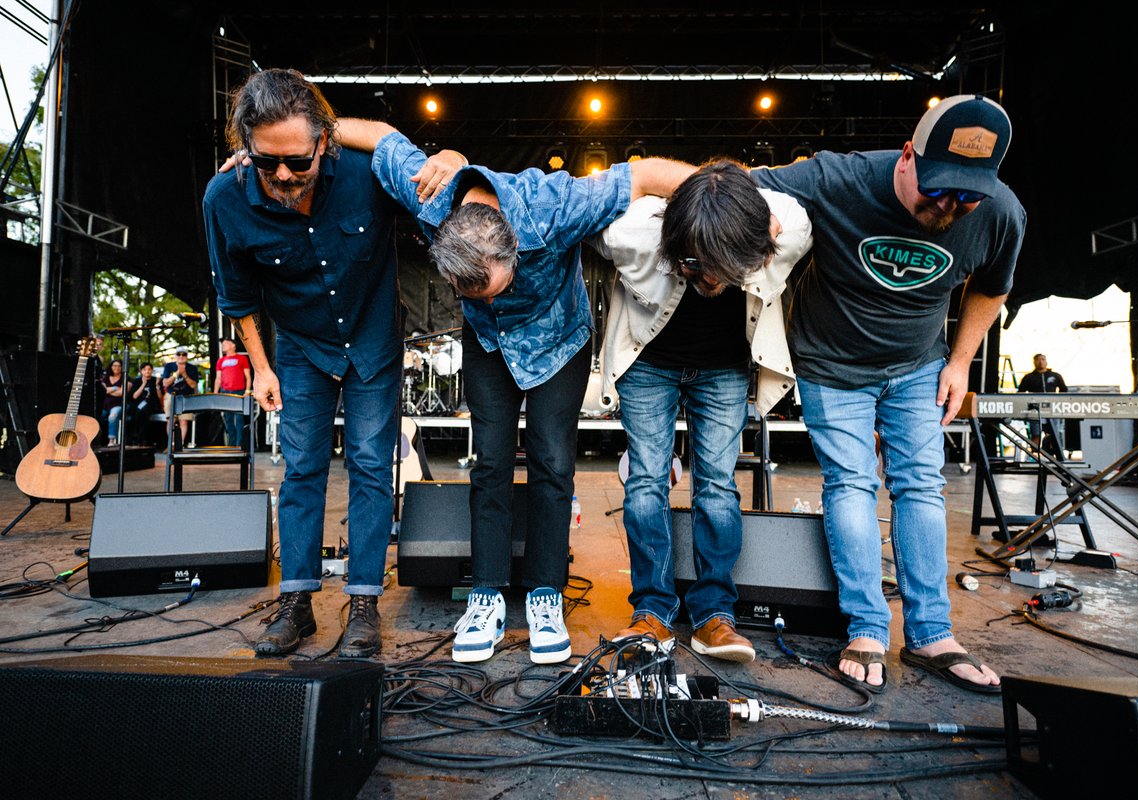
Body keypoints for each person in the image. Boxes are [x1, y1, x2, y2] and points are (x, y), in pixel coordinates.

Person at [334, 116, 694, 665]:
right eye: (469, 292)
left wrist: (731, 197)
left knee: (553, 462)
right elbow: (382, 137)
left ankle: (546, 594)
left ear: (512, 252)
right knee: (489, 464)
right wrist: (286, 141)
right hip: (489, 347)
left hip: (559, 343)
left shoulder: (558, 204)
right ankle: (486, 595)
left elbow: (645, 174)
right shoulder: (433, 197)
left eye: (493, 288)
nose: (488, 297)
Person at [753, 94, 1024, 694]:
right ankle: (867, 628)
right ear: (908, 155)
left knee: (921, 485)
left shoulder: (1002, 212)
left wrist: (959, 363)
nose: (950, 206)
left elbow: (992, 288)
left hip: (919, 364)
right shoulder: (836, 177)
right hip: (832, 363)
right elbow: (732, 188)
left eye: (966, 195)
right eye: (938, 189)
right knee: (850, 483)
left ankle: (931, 635)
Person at [204, 69, 461, 659]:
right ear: (245, 147)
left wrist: (451, 155)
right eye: (267, 163)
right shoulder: (224, 198)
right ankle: (297, 603)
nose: (284, 176)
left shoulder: (364, 170)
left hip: (372, 340)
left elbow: (423, 173)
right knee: (301, 470)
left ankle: (364, 603)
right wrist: (261, 368)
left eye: (297, 159)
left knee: (372, 466)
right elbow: (237, 297)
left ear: (325, 140)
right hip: (298, 347)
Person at [591, 160, 812, 661]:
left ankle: (715, 615)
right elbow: (595, 202)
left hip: (725, 369)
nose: (710, 278)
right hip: (649, 365)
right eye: (694, 264)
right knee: (646, 481)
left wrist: (753, 209)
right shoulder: (633, 232)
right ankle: (652, 612)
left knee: (717, 485)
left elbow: (793, 217)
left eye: (725, 267)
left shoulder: (781, 225)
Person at [1017, 353, 1068, 457]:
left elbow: (1064, 390)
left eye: (1043, 359)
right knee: (1036, 433)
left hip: (1052, 409)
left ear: (1046, 361)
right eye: (1038, 360)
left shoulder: (1055, 376)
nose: (1040, 362)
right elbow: (1020, 393)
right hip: (1035, 410)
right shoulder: (1029, 377)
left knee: (1054, 433)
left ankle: (1054, 455)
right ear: (1034, 362)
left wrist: (1059, 402)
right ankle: (1035, 456)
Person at [213, 336, 252, 447]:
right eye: (222, 344)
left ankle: (239, 445)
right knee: (228, 419)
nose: (223, 345)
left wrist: (247, 391)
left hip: (239, 392)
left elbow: (248, 376)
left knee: (239, 419)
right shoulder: (221, 361)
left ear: (233, 345)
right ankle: (231, 444)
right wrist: (216, 394)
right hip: (225, 392)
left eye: (225, 343)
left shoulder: (242, 358)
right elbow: (218, 379)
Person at [161, 347, 199, 443]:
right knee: (170, 421)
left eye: (184, 354)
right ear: (175, 356)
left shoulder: (192, 368)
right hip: (171, 395)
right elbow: (165, 383)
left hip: (186, 397)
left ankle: (180, 444)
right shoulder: (169, 366)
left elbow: (193, 385)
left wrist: (184, 374)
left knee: (184, 421)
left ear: (187, 356)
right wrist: (177, 373)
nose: (181, 356)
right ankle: (172, 444)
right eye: (179, 354)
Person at [128, 362, 161, 446]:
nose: (147, 371)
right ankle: (136, 437)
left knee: (144, 411)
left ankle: (141, 438)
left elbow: (160, 397)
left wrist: (157, 386)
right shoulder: (137, 380)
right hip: (138, 403)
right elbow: (134, 396)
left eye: (149, 369)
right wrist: (143, 384)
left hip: (151, 403)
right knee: (135, 411)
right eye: (144, 369)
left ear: (152, 370)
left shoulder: (155, 380)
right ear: (141, 371)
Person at [100, 358, 132, 447]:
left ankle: (111, 440)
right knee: (96, 416)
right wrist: (115, 388)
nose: (116, 367)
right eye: (114, 365)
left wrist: (108, 390)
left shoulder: (126, 378)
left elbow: (122, 393)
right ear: (111, 367)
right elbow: (102, 391)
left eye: (119, 366)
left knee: (112, 416)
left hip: (119, 404)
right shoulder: (105, 378)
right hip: (105, 404)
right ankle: (97, 439)